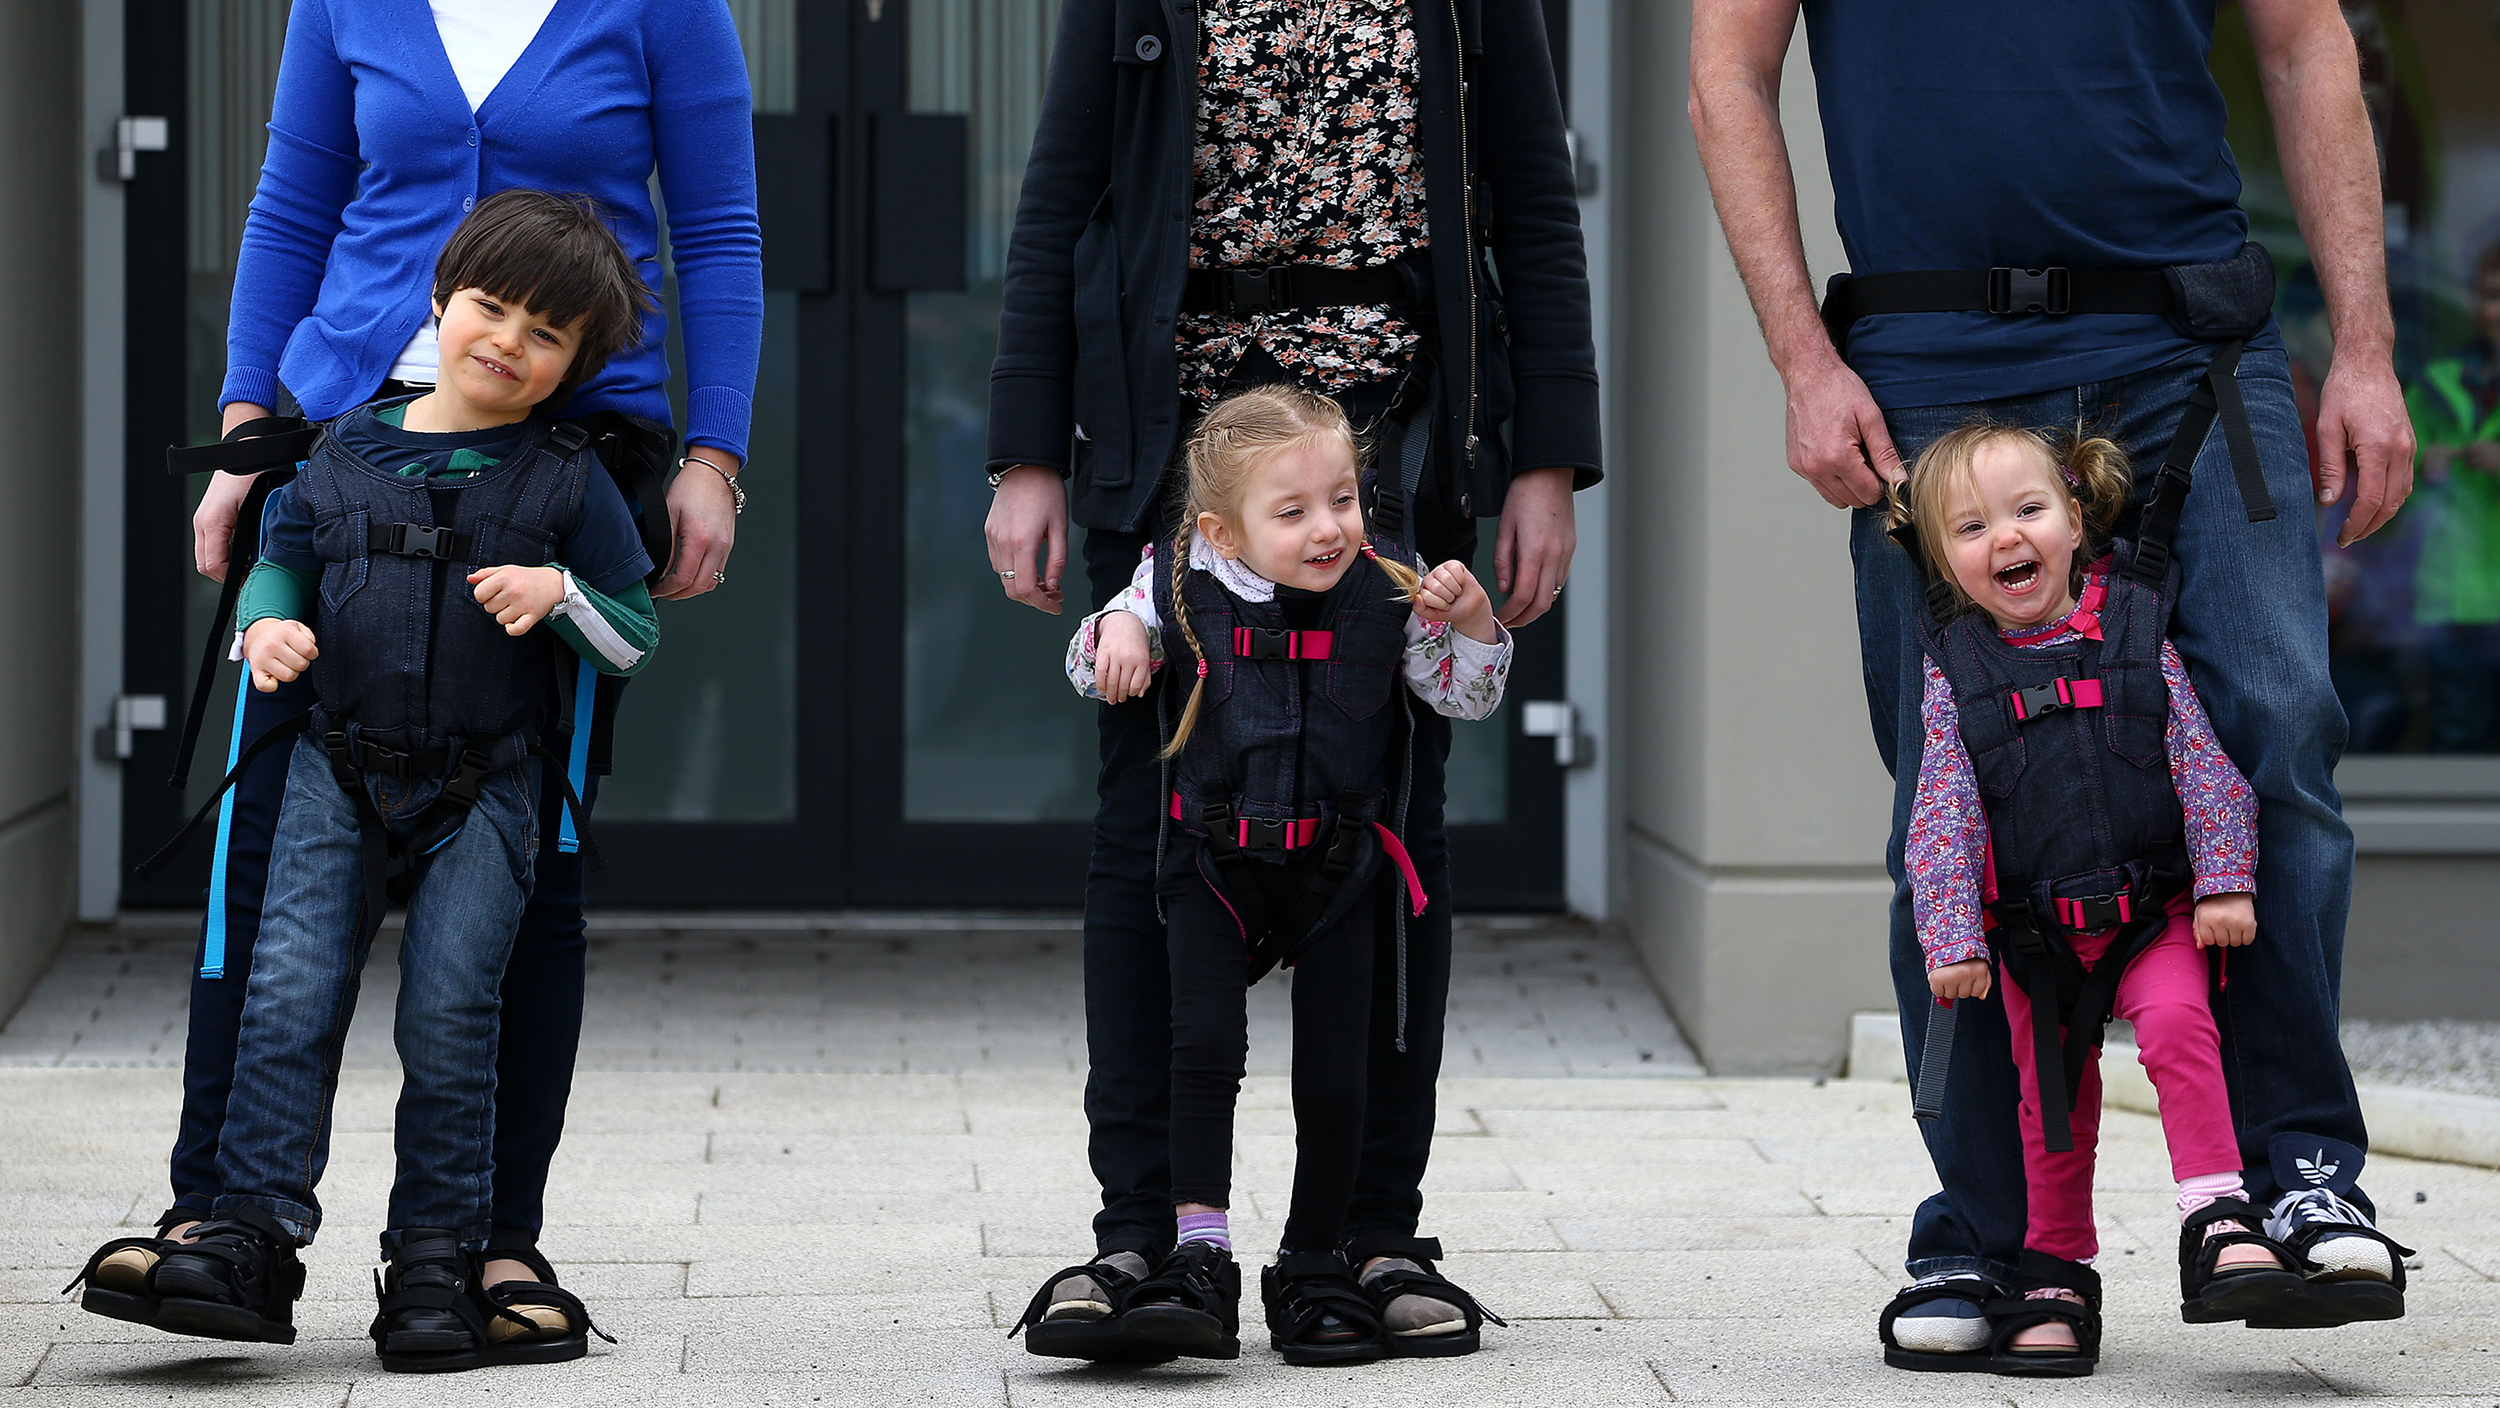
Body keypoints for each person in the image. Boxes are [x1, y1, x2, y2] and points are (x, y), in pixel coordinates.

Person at [1690, 0, 2418, 1365]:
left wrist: (2366, 351)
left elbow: (2307, 41)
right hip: (1932, 356)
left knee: (2277, 729)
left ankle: (2303, 1183)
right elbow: (1726, 73)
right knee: (1956, 799)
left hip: (2187, 343)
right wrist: (1803, 357)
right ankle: (1988, 1234)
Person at [101, 0, 761, 1334]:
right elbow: (294, 204)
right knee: (263, 856)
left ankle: (487, 1247)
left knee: (529, 865)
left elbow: (721, 232)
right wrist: (245, 427)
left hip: (562, 464)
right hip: (342, 445)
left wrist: (714, 457)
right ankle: (218, 1222)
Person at [984, 0, 1598, 1358]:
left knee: (1387, 841)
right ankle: (1148, 1239)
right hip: (1174, 455)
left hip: (1391, 442)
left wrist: (1545, 455)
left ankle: (1363, 1240)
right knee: (1152, 845)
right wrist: (1027, 447)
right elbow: (1060, 204)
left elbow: (1535, 213)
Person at [74, 192, 659, 1371]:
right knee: (288, 997)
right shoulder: (340, 448)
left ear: (574, 368)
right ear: (440, 302)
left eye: (545, 334)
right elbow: (278, 569)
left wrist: (562, 598)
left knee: (451, 1015)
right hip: (335, 775)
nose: (506, 342)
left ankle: (437, 1258)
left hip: (489, 790)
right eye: (489, 308)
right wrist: (269, 631)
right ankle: (250, 1231)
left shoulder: (566, 482)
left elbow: (635, 628)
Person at [1886, 425, 2402, 1377]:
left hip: (2151, 919)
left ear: (2075, 517)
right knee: (2050, 1104)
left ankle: (2218, 1215)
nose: (2005, 538)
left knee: (2179, 1030)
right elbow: (1943, 812)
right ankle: (2054, 1272)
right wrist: (1952, 935)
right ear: (1938, 557)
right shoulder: (1954, 668)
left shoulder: (2132, 628)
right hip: (2034, 944)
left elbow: (2203, 765)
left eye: (2027, 510)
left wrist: (2226, 881)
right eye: (1969, 527)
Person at [1033, 387, 1511, 1366]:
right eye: (1292, 512)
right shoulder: (1171, 576)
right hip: (1212, 862)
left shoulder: (1394, 584)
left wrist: (1473, 622)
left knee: (1338, 1075)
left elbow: (1462, 697)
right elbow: (1091, 660)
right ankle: (1197, 1252)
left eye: (1342, 500)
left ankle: (1316, 1257)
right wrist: (1115, 638)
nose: (1329, 528)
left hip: (1337, 868)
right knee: (1201, 1054)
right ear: (1224, 528)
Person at [2408, 241, 2500, 753]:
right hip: (2453, 592)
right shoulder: (2437, 383)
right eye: (2492, 295)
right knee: (2457, 736)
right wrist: (2424, 463)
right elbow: (2387, 471)